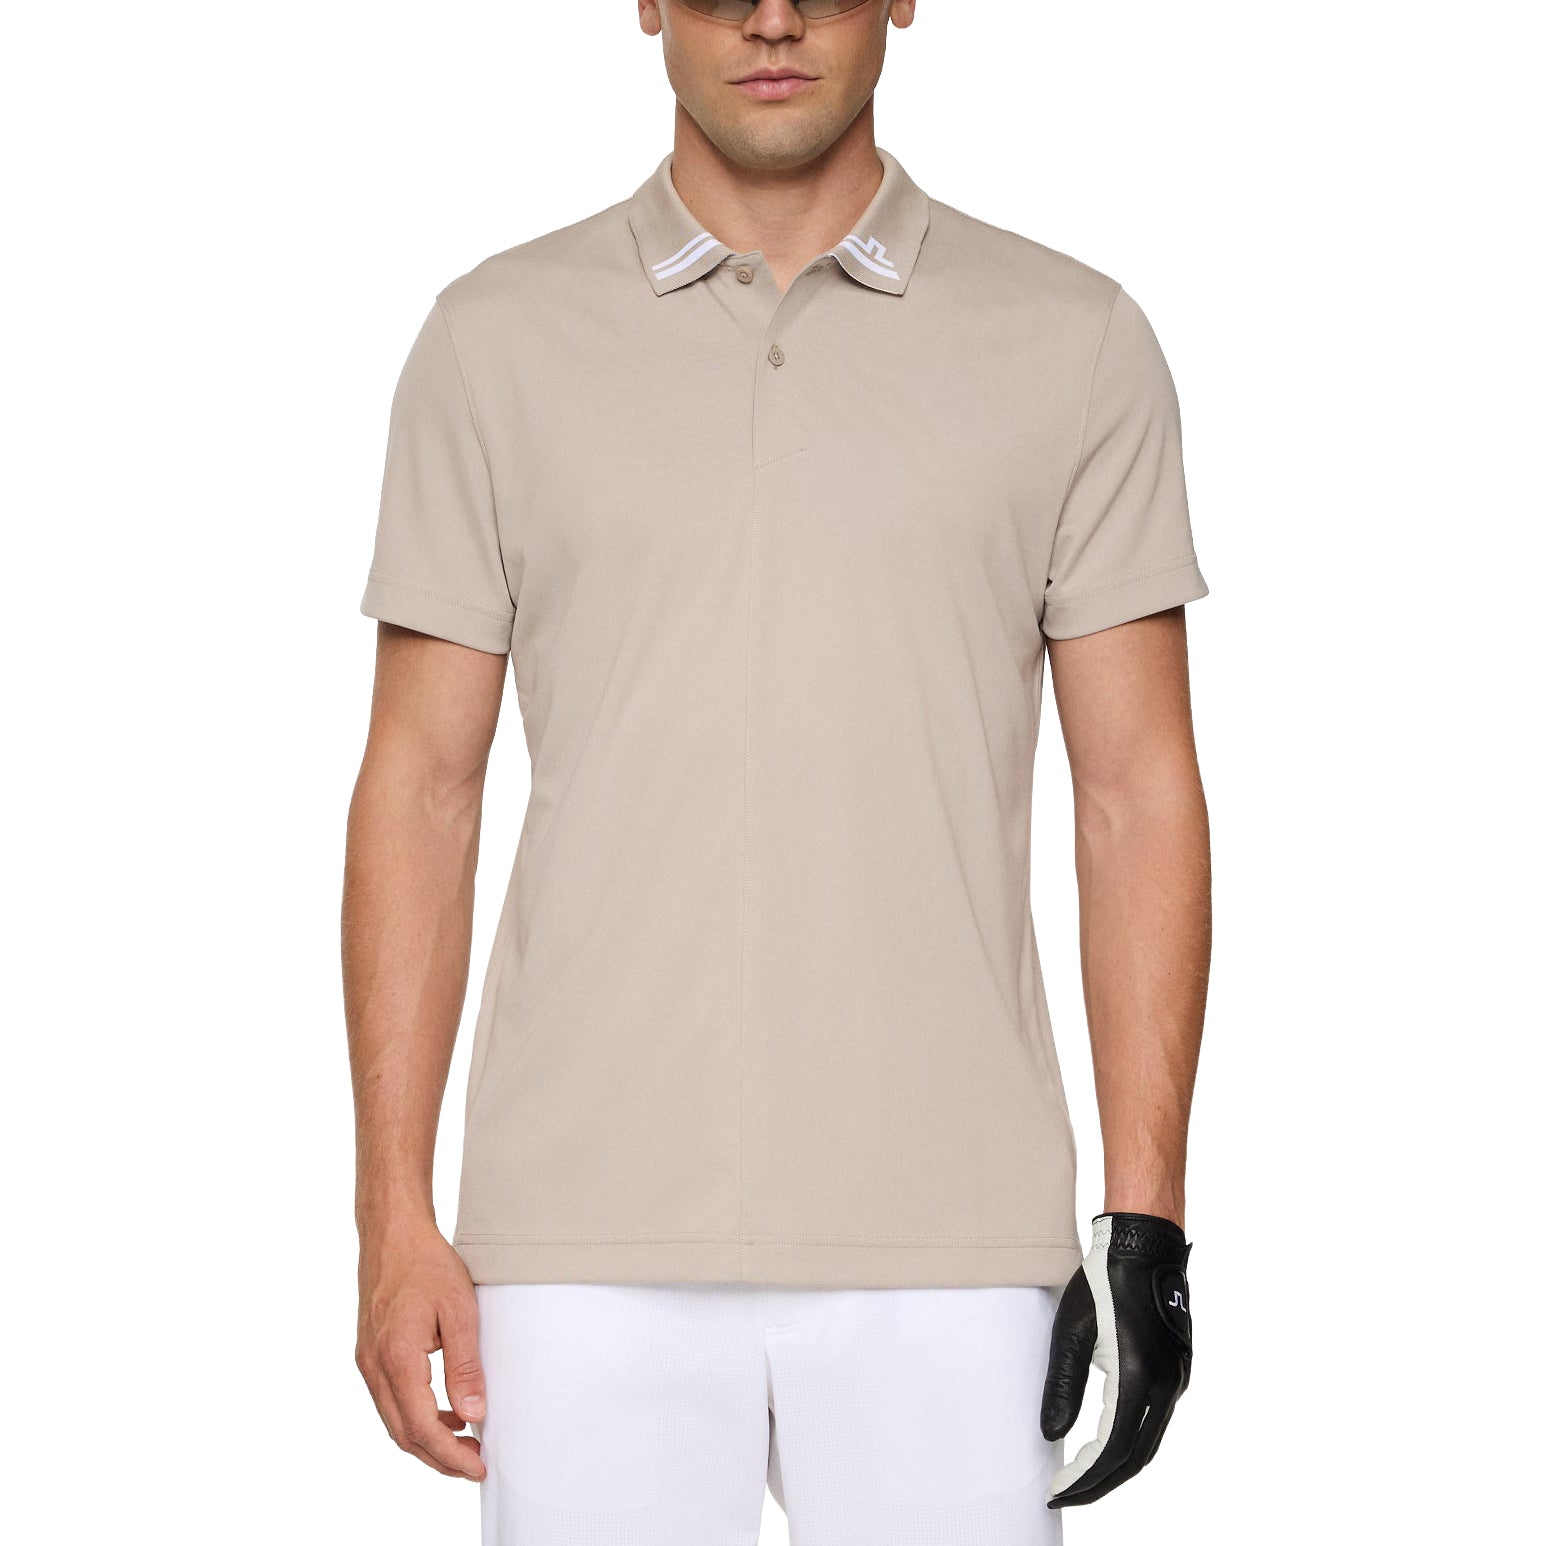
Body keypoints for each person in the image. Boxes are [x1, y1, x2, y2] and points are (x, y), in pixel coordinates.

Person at [342, 2, 1211, 1541]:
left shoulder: (1071, 340)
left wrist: (1145, 1221)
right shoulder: (492, 341)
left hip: (951, 1246)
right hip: (576, 1241)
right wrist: (391, 1216)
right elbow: (420, 784)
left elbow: (1133, 789)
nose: (770, 14)